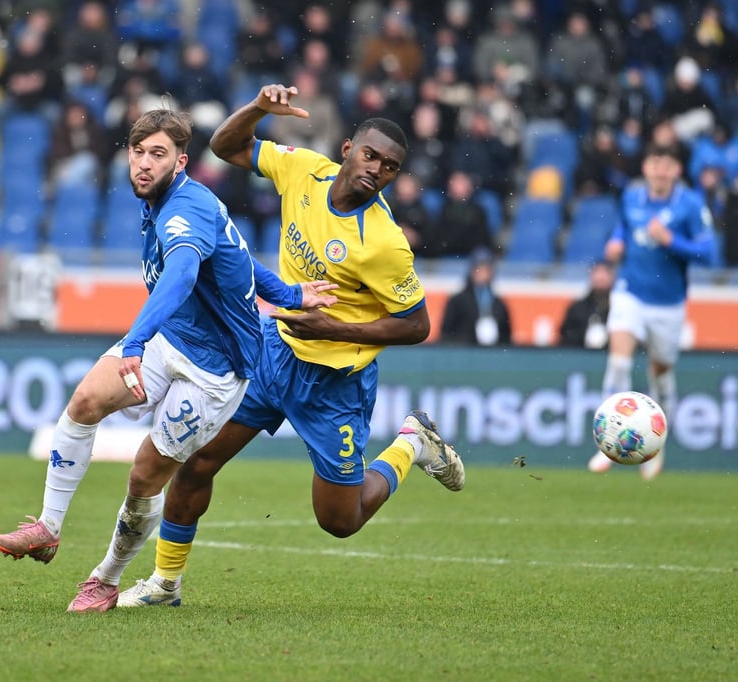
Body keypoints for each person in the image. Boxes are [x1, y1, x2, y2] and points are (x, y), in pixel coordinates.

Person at [66, 84, 466, 612]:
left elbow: (416, 324)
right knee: (196, 462)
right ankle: (165, 584)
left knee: (339, 522)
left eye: (389, 166)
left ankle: (412, 443)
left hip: (334, 382)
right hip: (272, 355)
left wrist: (336, 330)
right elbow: (227, 147)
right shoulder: (304, 169)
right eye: (369, 155)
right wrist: (257, 108)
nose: (376, 169)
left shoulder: (384, 242)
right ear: (347, 150)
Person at [0, 107, 337, 566]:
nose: (144, 163)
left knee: (144, 476)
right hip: (174, 336)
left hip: (217, 369)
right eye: (138, 152)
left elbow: (183, 273)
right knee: (85, 402)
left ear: (180, 162)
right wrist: (290, 293)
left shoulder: (185, 211)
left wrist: (134, 341)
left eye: (158, 153)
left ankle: (107, 577)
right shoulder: (163, 202)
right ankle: (47, 529)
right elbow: (236, 258)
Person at [587, 143, 717, 481]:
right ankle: (608, 443)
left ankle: (655, 447)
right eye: (655, 163)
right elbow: (622, 229)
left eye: (667, 164)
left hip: (668, 304)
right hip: (631, 291)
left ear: (677, 170)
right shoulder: (631, 197)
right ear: (646, 167)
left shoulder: (689, 204)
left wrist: (671, 240)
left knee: (660, 374)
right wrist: (616, 243)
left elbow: (709, 252)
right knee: (618, 360)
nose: (660, 170)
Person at [439, 247, 511, 346]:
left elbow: (507, 338)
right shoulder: (457, 301)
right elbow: (445, 335)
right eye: (479, 268)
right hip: (464, 355)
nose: (483, 273)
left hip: (491, 357)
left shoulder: (499, 304)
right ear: (471, 271)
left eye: (487, 268)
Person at [558, 261, 613, 349]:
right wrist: (584, 335)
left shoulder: (619, 309)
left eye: (605, 273)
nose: (601, 277)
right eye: (597, 272)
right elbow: (565, 335)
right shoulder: (577, 308)